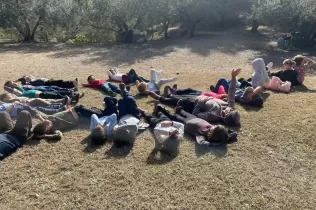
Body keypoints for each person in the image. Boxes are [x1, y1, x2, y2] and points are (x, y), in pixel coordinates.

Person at [148, 69, 242, 126]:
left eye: (230, 111)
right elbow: (232, 91)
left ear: (226, 116)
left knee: (174, 101)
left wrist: (201, 102)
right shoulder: (229, 105)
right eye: (231, 109)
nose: (230, 108)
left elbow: (196, 115)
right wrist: (233, 77)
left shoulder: (214, 115)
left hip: (192, 105)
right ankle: (168, 95)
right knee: (178, 96)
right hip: (197, 97)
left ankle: (160, 98)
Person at [153, 104, 237, 146]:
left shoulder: (203, 135)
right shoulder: (215, 130)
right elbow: (234, 133)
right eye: (215, 126)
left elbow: (202, 143)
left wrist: (218, 144)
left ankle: (160, 110)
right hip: (194, 118)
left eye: (214, 128)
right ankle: (179, 109)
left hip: (186, 123)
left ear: (213, 135)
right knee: (184, 112)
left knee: (174, 116)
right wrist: (226, 138)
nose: (213, 126)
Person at [4, 81, 81, 103]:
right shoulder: (17, 95)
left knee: (54, 93)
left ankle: (73, 96)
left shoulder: (21, 89)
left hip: (38, 92)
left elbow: (18, 88)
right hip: (38, 95)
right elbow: (8, 88)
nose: (15, 84)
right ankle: (72, 98)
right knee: (54, 95)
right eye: (12, 85)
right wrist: (11, 87)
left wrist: (15, 85)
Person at [0, 101, 66, 118]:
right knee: (39, 110)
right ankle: (59, 110)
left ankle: (57, 107)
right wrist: (12, 104)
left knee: (38, 107)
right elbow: (5, 113)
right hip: (17, 111)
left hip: (18, 106)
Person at [0, 93, 69, 107]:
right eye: (8, 95)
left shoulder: (13, 97)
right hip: (27, 103)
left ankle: (61, 100)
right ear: (4, 98)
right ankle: (58, 104)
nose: (10, 95)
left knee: (46, 100)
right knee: (38, 100)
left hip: (29, 100)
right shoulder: (8, 101)